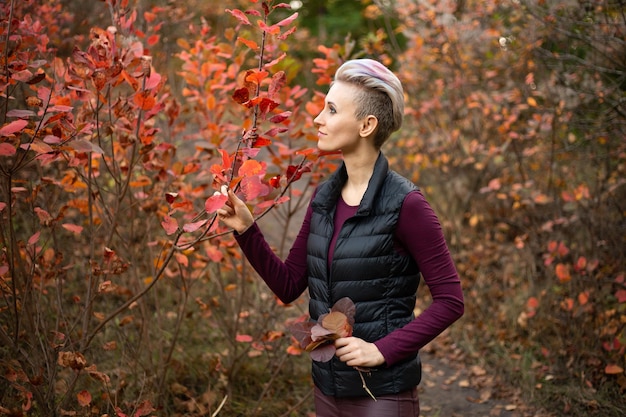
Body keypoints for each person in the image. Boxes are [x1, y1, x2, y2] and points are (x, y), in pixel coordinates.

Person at [217, 58, 464, 416]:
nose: (318, 119)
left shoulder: (407, 204)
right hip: (328, 388)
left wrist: (381, 350)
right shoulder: (324, 198)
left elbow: (450, 301)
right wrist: (246, 229)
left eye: (331, 110)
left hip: (384, 394)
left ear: (366, 125)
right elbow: (289, 285)